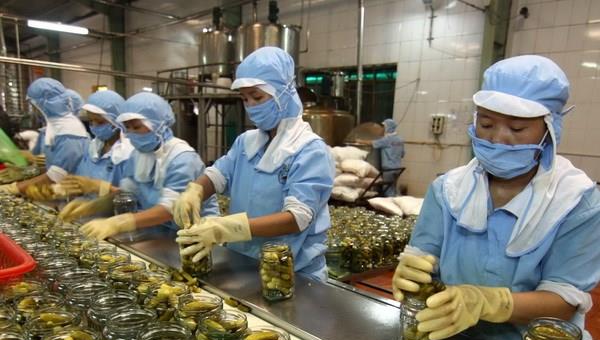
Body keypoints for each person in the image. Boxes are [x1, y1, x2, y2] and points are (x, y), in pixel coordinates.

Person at [392, 55, 600, 340]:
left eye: (517, 128)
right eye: (486, 124)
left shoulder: (576, 201)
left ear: (549, 129)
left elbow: (563, 302)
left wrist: (488, 302)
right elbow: (423, 259)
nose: (498, 139)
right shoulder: (448, 190)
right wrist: (410, 272)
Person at [173, 47, 335, 282]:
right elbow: (217, 176)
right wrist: (195, 191)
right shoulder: (246, 142)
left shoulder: (310, 150)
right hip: (243, 265)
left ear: (283, 93)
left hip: (291, 274)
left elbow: (296, 218)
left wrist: (224, 228)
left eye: (257, 97)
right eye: (244, 98)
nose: (250, 105)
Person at [59, 92, 219, 240]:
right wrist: (92, 207)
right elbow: (127, 193)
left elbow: (171, 208)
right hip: (160, 233)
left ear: (158, 125)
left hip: (196, 234)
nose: (131, 133)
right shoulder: (138, 155)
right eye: (127, 128)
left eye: (136, 127)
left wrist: (119, 223)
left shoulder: (182, 158)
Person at [0, 78, 88, 194]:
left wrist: (15, 188)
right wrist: (27, 171)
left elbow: (56, 175)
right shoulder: (55, 130)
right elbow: (51, 166)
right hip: (56, 191)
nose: (34, 111)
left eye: (36, 106)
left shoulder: (70, 135)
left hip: (67, 193)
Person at [57, 89, 133, 198]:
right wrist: (68, 188)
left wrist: (102, 188)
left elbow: (132, 197)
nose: (94, 126)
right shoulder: (92, 148)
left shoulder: (127, 154)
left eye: (100, 122)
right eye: (91, 121)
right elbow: (81, 180)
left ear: (115, 121)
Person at [372, 118, 404, 196]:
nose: (382, 128)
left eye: (384, 127)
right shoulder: (400, 140)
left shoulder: (386, 139)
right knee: (393, 187)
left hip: (388, 169)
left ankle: (389, 202)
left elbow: (373, 143)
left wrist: (359, 141)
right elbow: (403, 154)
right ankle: (395, 200)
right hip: (397, 168)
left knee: (387, 189)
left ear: (388, 127)